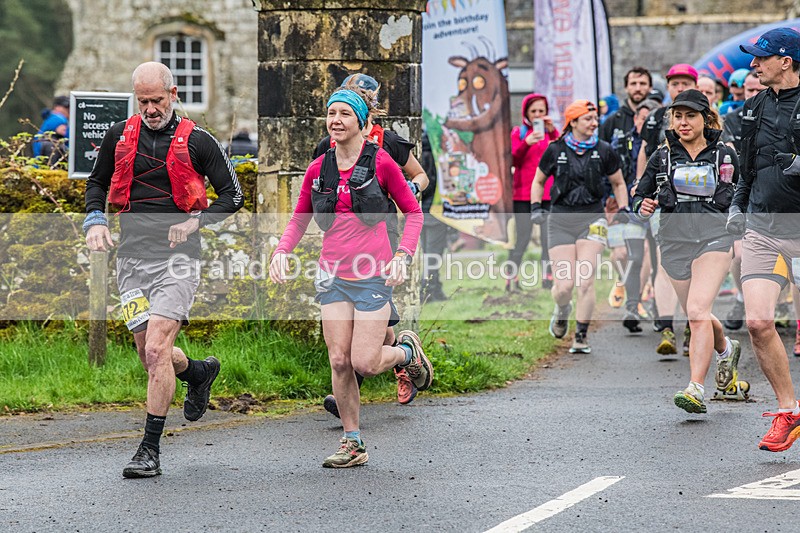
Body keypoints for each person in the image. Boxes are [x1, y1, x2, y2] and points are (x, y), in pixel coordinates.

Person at [83, 62, 244, 477]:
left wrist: (196, 221)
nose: (151, 108)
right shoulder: (119, 135)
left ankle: (149, 451)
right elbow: (96, 183)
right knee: (148, 356)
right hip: (132, 262)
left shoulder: (199, 141)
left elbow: (232, 196)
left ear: (174, 95)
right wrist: (95, 221)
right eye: (143, 101)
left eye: (157, 100)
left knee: (156, 350)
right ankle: (198, 372)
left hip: (178, 260)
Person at [270, 87, 428, 468]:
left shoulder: (383, 164)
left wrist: (403, 256)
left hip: (373, 274)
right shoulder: (318, 168)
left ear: (361, 121)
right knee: (339, 360)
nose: (335, 120)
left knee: (366, 362)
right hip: (332, 275)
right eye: (331, 114)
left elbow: (414, 214)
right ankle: (352, 442)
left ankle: (407, 352)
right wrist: (281, 251)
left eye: (344, 114)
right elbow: (299, 218)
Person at [313, 73, 429, 419]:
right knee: (381, 325)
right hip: (345, 247)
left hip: (385, 236)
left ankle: (362, 378)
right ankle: (399, 361)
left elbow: (420, 176)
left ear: (370, 110)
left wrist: (409, 193)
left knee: (372, 321)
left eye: (361, 102)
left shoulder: (389, 144)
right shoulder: (328, 146)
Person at [635, 89, 743, 413]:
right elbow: (640, 195)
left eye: (690, 116)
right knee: (701, 316)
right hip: (674, 243)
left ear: (705, 118)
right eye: (678, 116)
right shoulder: (662, 156)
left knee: (696, 312)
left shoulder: (724, 154)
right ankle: (726, 350)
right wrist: (644, 205)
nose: (683, 122)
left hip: (715, 239)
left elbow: (742, 193)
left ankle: (696, 388)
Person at [729, 27, 800, 451]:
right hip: (762, 228)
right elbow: (746, 168)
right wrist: (738, 205)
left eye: (761, 58)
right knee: (757, 322)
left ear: (786, 61)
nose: (754, 65)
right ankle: (788, 410)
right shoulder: (752, 108)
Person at [530, 100, 628, 354]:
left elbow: (618, 183)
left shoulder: (604, 149)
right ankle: (562, 308)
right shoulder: (556, 149)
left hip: (593, 218)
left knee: (585, 282)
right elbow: (539, 180)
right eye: (588, 119)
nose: (594, 124)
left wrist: (624, 207)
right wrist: (536, 207)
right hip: (560, 220)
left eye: (595, 119)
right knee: (563, 287)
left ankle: (581, 336)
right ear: (573, 122)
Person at [638, 63, 699, 357]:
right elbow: (644, 155)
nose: (679, 87)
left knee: (695, 269)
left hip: (702, 210)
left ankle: (692, 324)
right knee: (665, 262)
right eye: (674, 83)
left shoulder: (706, 118)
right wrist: (641, 195)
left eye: (685, 82)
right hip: (665, 205)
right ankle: (666, 327)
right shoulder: (655, 118)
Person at [607, 98, 660, 333]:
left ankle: (660, 308)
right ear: (635, 119)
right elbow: (609, 174)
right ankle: (632, 306)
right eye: (641, 117)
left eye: (650, 119)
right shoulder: (620, 143)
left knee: (659, 261)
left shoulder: (662, 146)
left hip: (658, 209)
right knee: (632, 256)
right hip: (628, 210)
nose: (644, 123)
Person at [721, 70, 766, 331]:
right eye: (748, 91)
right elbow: (729, 157)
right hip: (742, 193)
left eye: (758, 90)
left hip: (776, 197)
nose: (752, 96)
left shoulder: (781, 115)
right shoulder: (732, 119)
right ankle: (742, 298)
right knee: (739, 256)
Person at [508, 93, 558, 292]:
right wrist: (525, 143)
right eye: (533, 111)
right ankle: (511, 279)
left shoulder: (550, 134)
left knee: (548, 239)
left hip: (548, 194)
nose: (537, 115)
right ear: (526, 113)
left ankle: (548, 278)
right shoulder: (518, 133)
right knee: (523, 237)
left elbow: (561, 153)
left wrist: (553, 132)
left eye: (541, 111)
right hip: (523, 194)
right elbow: (512, 160)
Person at [599, 67, 652, 143]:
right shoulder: (612, 121)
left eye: (642, 83)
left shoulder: (657, 118)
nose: (638, 88)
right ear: (626, 87)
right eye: (633, 83)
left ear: (650, 87)